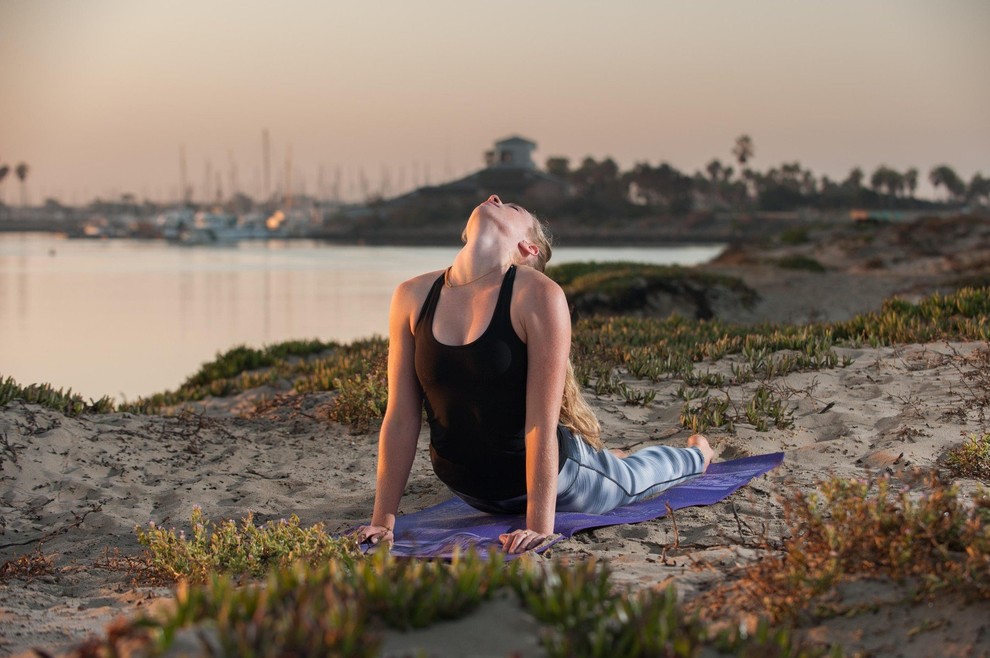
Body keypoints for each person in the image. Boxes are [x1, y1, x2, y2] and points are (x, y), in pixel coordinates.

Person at [355, 195, 713, 554]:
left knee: (635, 479)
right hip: (467, 488)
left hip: (557, 480)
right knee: (607, 464)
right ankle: (608, 458)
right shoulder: (412, 296)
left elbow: (541, 423)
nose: (495, 198)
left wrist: (539, 527)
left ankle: (698, 454)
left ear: (527, 247)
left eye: (513, 208)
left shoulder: (537, 295)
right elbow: (400, 416)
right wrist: (383, 521)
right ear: (466, 231)